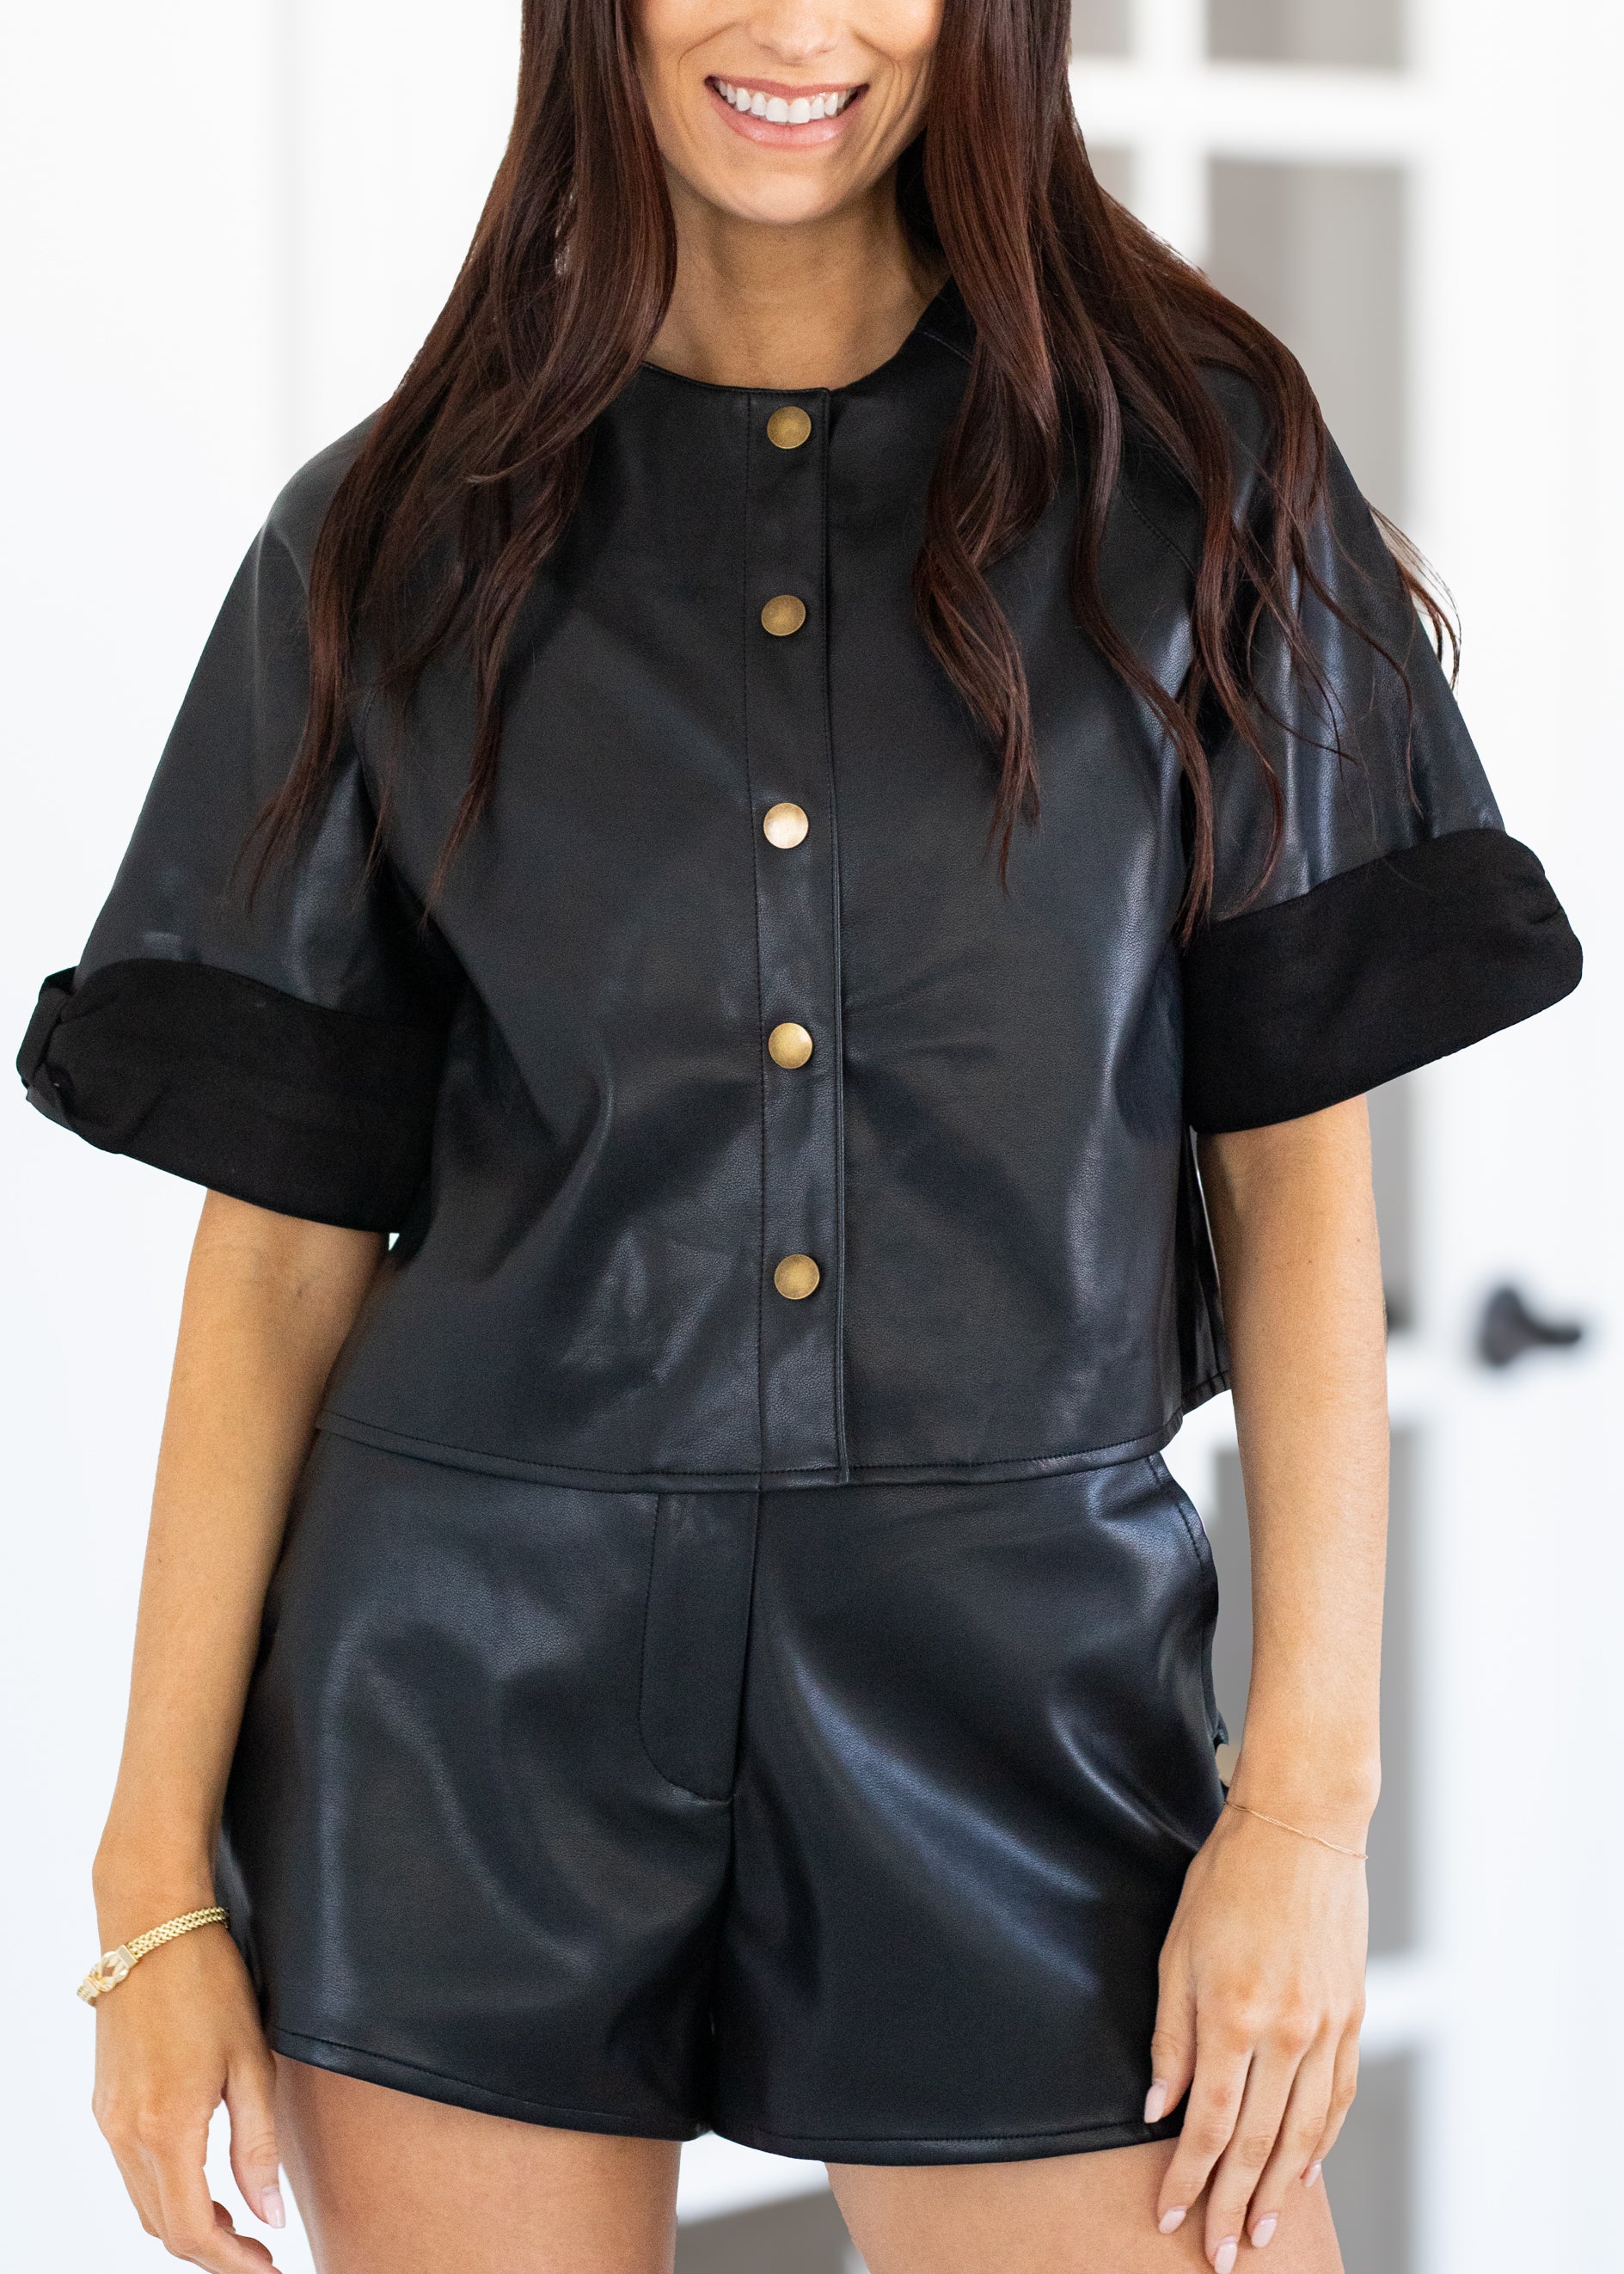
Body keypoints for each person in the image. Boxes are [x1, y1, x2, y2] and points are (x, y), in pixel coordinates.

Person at [19, 0, 1581, 2266]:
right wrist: (149, 1892)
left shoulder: (1201, 477)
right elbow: (271, 1255)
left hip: (1022, 1689)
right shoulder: (381, 540)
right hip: (460, 1706)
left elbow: (1293, 1177)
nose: (793, 21)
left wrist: (1301, 1819)